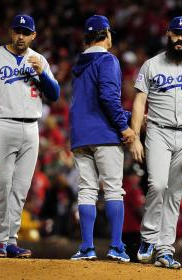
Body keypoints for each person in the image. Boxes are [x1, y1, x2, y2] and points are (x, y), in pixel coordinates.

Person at [0, 14, 60, 257]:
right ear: (10, 32)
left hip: (31, 128)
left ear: (33, 35)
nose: (21, 36)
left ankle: (11, 240)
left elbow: (54, 94)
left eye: (26, 32)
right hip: (2, 123)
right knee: (1, 184)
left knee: (21, 187)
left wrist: (42, 74)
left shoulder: (39, 60)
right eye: (17, 31)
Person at [129, 16, 182, 269]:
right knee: (157, 184)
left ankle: (165, 248)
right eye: (175, 34)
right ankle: (148, 239)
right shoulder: (151, 65)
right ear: (168, 34)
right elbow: (139, 101)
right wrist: (135, 136)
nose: (179, 38)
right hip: (158, 131)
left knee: (175, 193)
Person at [69, 15, 135, 262]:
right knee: (113, 190)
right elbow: (108, 97)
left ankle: (87, 247)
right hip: (105, 134)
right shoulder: (108, 59)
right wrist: (124, 125)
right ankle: (116, 246)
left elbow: (90, 101)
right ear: (106, 34)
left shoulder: (78, 62)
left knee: (86, 190)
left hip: (80, 135)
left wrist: (126, 116)